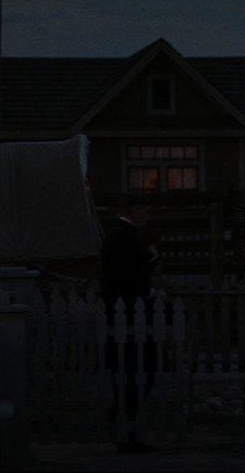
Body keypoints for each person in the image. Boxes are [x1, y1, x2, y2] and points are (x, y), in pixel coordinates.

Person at [99, 192, 165, 454]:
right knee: (135, 374)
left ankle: (126, 428)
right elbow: (122, 276)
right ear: (134, 210)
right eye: (145, 210)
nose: (148, 215)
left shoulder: (124, 236)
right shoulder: (122, 237)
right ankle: (123, 427)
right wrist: (149, 289)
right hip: (127, 317)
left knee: (136, 374)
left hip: (128, 317)